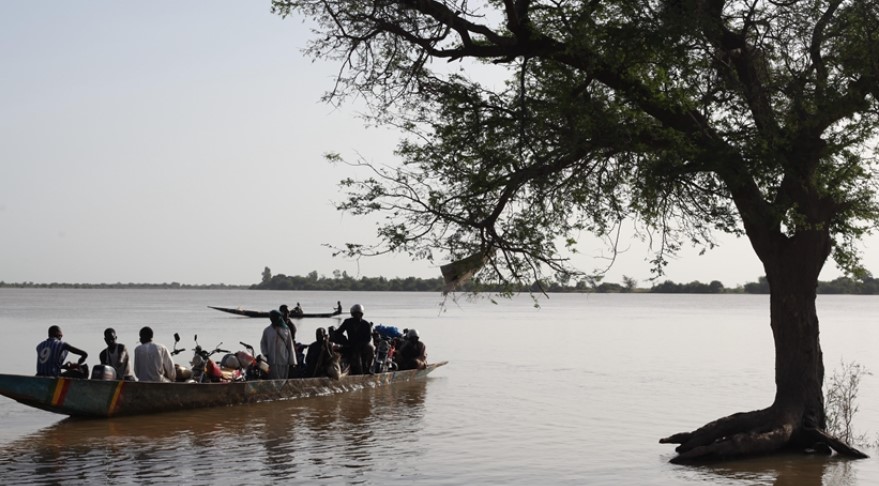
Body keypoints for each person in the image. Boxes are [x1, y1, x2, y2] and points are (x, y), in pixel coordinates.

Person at [337, 304, 375, 375]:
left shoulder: (366, 324)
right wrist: (343, 340)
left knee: (371, 348)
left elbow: (368, 338)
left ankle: (368, 369)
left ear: (361, 314)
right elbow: (339, 332)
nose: (357, 315)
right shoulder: (347, 322)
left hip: (362, 345)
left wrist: (360, 345)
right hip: (350, 344)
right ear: (352, 314)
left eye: (359, 314)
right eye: (355, 314)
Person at [261, 309, 296, 380]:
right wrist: (266, 354)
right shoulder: (267, 330)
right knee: (272, 379)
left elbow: (290, 346)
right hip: (271, 360)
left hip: (283, 360)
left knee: (282, 379)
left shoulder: (286, 330)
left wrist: (292, 362)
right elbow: (263, 343)